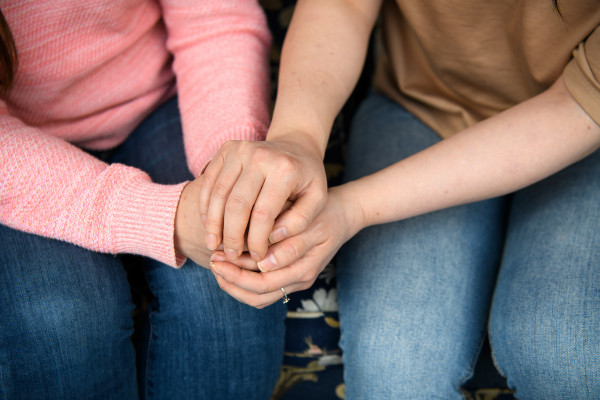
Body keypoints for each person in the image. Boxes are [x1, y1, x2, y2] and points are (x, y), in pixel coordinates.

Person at [202, 0, 600, 398]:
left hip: (585, 134)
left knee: (565, 354)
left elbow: (577, 103)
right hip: (421, 103)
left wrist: (354, 207)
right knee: (393, 365)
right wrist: (297, 137)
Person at [0, 1, 286, 399]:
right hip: (11, 153)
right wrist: (165, 217)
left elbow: (214, 18)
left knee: (226, 281)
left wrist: (230, 171)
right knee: (59, 322)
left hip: (160, 96)